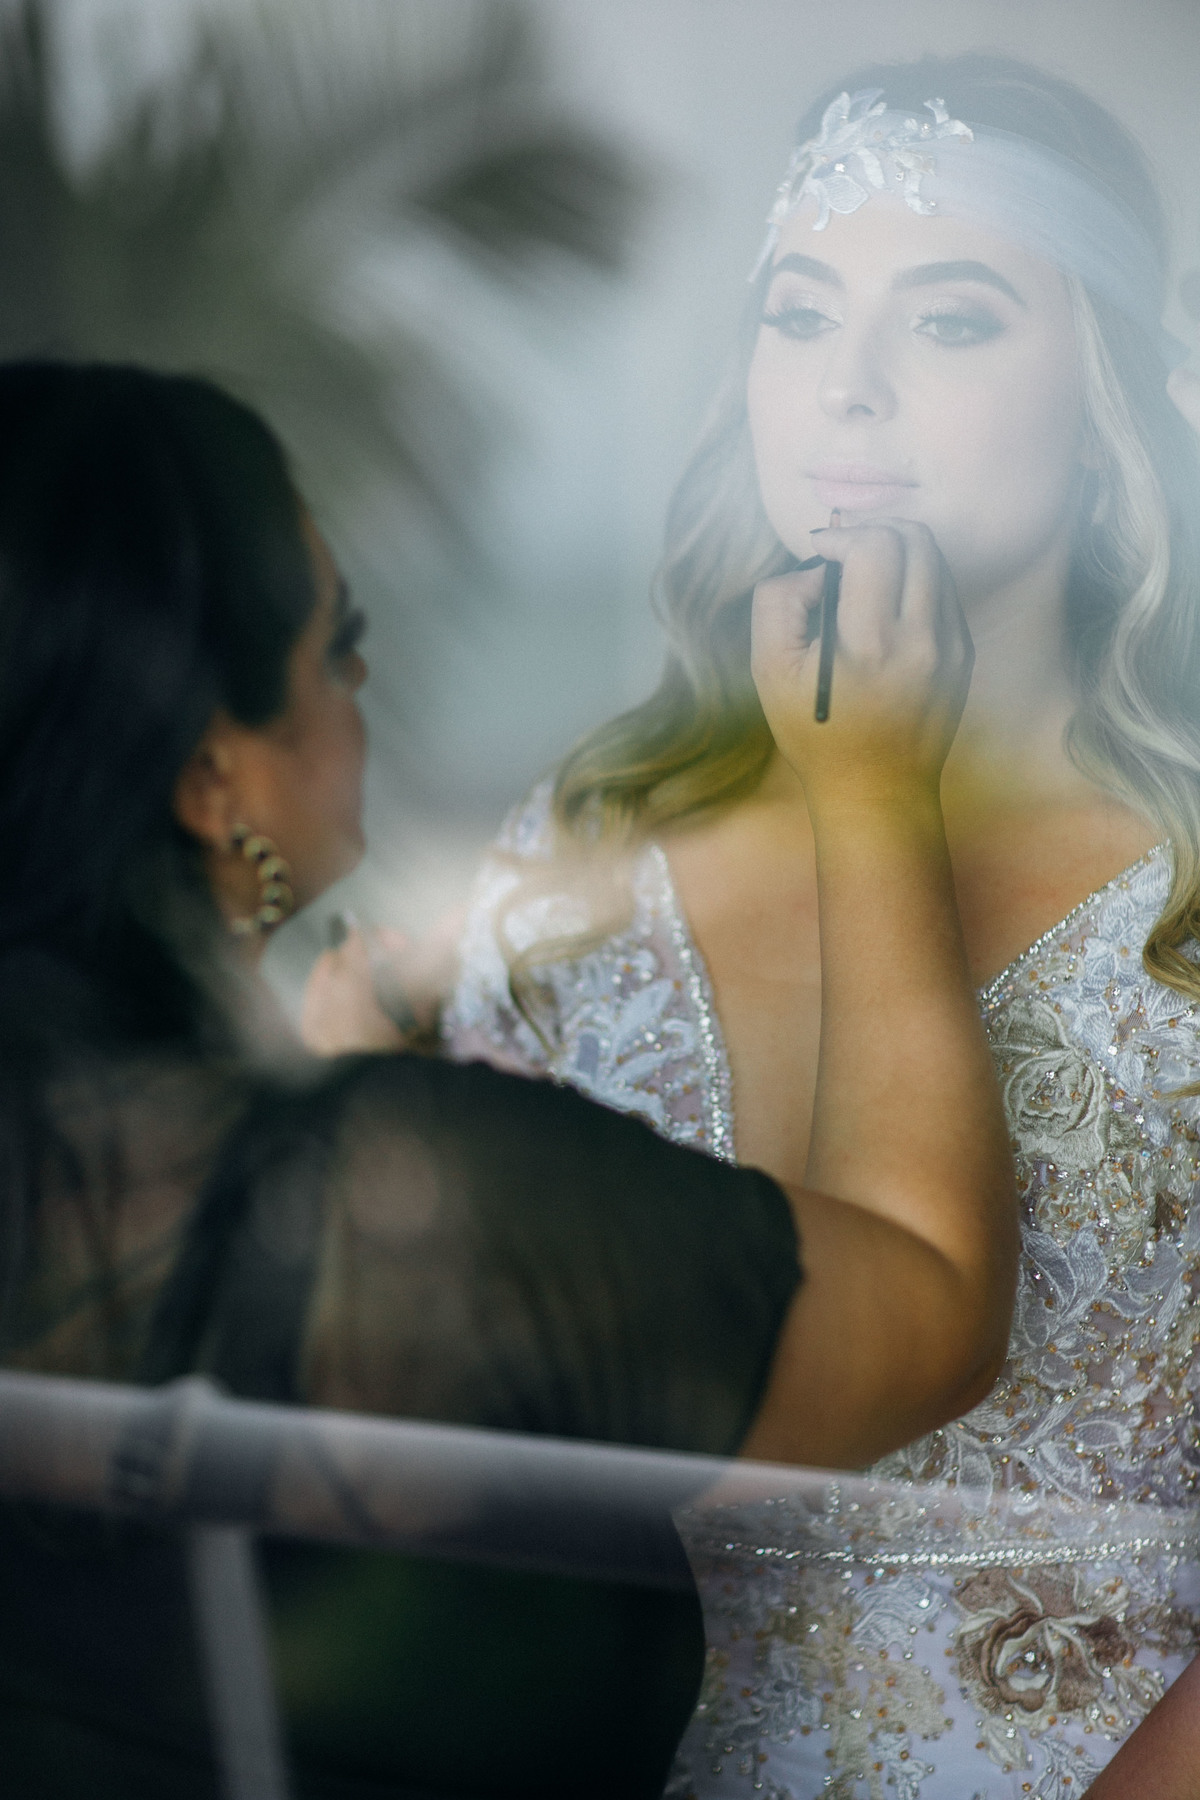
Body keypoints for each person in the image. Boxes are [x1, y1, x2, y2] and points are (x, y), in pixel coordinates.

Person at [0, 359, 1015, 1799]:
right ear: (214, 777)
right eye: (336, 648)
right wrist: (871, 789)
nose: (364, 687)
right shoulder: (425, 1214)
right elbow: (936, 1297)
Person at [388, 51, 1200, 1800]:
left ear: (1110, 401)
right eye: (801, 313)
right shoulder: (578, 852)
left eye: (951, 322)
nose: (849, 389)